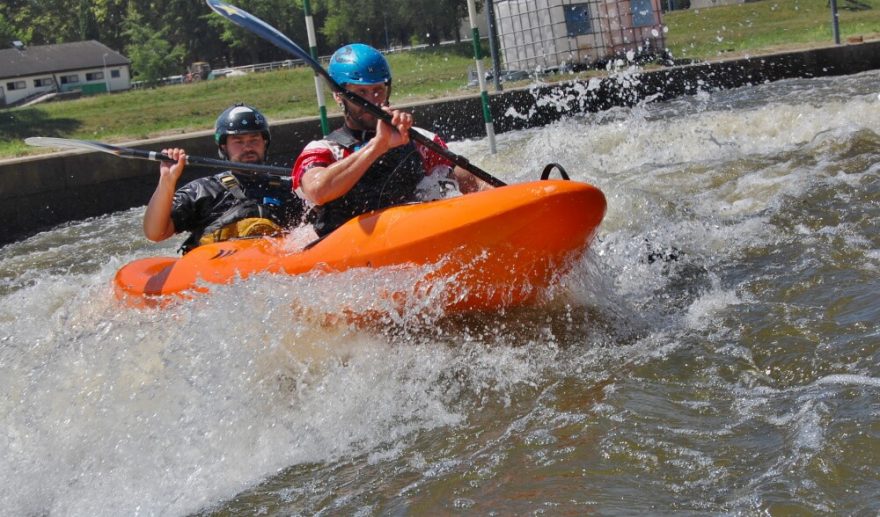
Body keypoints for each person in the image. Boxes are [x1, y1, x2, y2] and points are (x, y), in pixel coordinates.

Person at [292, 43, 488, 237]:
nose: (372, 101)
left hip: (412, 236)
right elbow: (318, 192)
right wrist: (379, 145)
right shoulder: (323, 149)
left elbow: (471, 182)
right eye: (361, 92)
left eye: (378, 90)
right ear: (338, 96)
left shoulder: (419, 140)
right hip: (348, 248)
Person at [143, 104, 303, 253]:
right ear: (224, 147)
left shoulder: (288, 190)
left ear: (265, 143)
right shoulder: (202, 190)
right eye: (238, 141)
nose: (247, 147)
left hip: (277, 263)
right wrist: (167, 181)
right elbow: (155, 233)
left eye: (254, 140)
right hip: (222, 266)